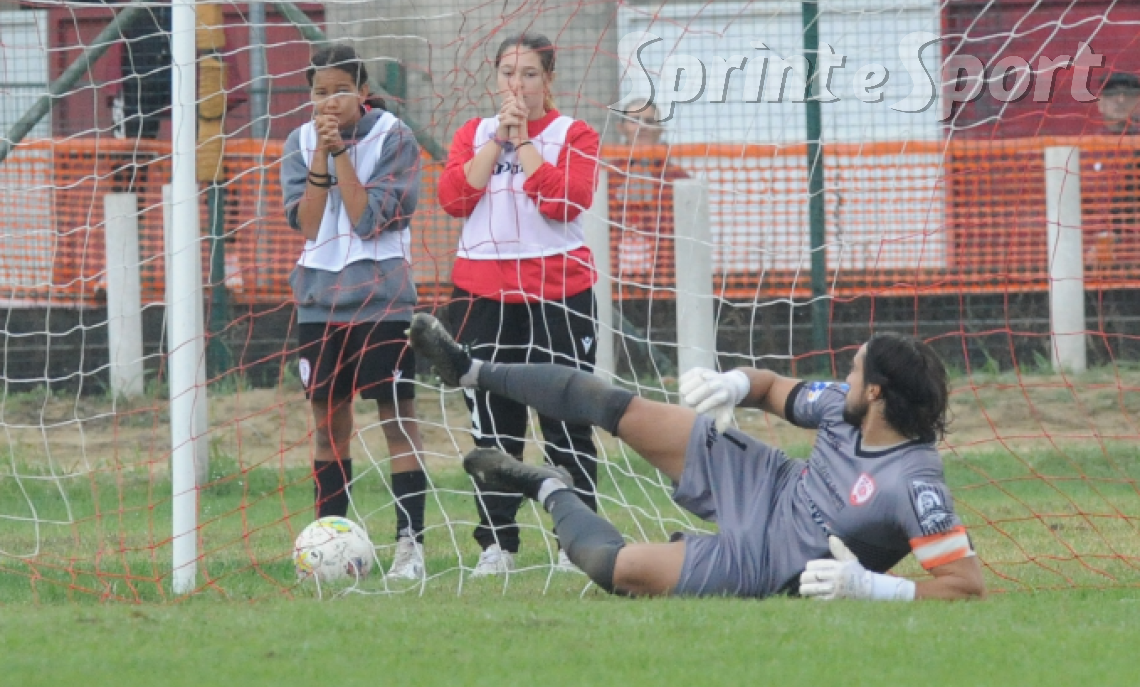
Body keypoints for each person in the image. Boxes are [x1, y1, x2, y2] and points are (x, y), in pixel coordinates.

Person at [407, 312, 987, 600]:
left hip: (768, 563)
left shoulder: (915, 484)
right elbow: (769, 388)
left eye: (856, 372)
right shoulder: (841, 405)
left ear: (877, 393)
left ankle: (548, 487)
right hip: (765, 480)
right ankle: (469, 369)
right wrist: (733, 383)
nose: (846, 377)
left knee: (619, 570)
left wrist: (871, 587)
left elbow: (965, 584)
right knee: (620, 407)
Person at [436, 34, 602, 576]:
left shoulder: (573, 133)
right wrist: (496, 143)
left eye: (529, 74)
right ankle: (497, 543)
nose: (517, 85)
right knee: (493, 424)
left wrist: (525, 142)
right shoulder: (473, 133)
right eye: (508, 73)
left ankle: (575, 542)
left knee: (565, 421)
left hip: (558, 295)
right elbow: (453, 198)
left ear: (547, 79)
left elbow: (565, 201)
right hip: (483, 296)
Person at [281, 44, 427, 581]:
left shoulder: (394, 136)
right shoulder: (299, 142)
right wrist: (321, 154)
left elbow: (367, 222)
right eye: (319, 92)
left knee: (397, 423)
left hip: (382, 302)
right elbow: (309, 225)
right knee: (327, 428)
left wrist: (341, 151)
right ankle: (327, 546)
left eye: (340, 90)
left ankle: (410, 547)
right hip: (319, 305)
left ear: (363, 92)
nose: (329, 101)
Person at [609, 99, 690, 376]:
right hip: (615, 279)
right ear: (622, 128)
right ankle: (663, 368)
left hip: (665, 279)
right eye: (635, 121)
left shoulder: (678, 178)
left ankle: (667, 368)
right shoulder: (607, 177)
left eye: (649, 121)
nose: (642, 127)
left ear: (660, 130)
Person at [1089, 73, 1140, 267]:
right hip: (1090, 254)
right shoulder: (1083, 149)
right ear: (1099, 103)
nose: (1121, 100)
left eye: (1129, 94)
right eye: (1112, 95)